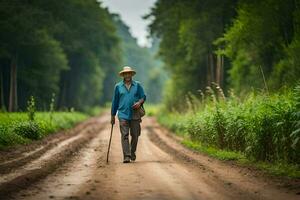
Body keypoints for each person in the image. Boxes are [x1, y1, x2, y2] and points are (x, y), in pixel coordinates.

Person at [111, 66, 146, 163]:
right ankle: (126, 156)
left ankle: (132, 152)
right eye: (125, 73)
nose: (127, 75)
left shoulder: (137, 85)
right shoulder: (118, 86)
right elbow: (115, 101)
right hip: (122, 114)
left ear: (131, 74)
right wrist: (112, 115)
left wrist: (139, 103)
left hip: (135, 114)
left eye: (129, 73)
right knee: (124, 135)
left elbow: (143, 96)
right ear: (123, 75)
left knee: (135, 135)